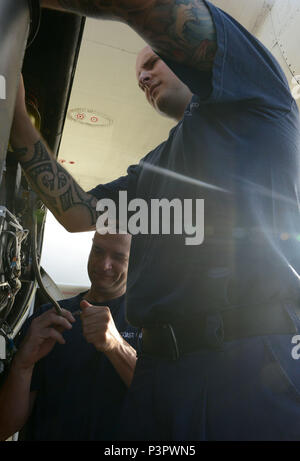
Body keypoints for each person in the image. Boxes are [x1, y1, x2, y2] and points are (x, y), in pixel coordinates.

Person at [9, 0, 300, 440]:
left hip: (248, 361)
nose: (143, 74)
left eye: (155, 59)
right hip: (159, 375)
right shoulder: (153, 170)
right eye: (139, 71)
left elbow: (147, 7)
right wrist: (16, 119)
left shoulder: (255, 88)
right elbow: (78, 214)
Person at [0, 231, 137, 441]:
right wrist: (23, 365)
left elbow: (164, 405)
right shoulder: (47, 318)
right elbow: (4, 427)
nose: (103, 265)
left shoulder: (149, 325)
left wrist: (116, 346)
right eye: (98, 251)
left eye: (118, 257)